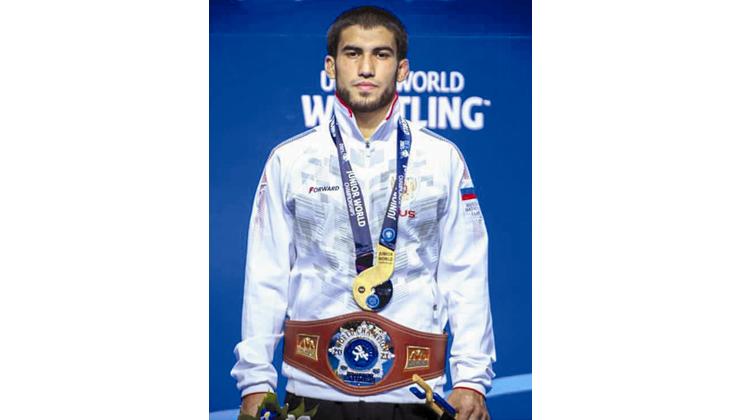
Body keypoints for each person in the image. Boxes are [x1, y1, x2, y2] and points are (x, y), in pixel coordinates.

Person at [231, 6, 495, 420]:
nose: (366, 68)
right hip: (312, 393)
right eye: (353, 53)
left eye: (381, 54)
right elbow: (266, 276)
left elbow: (466, 275)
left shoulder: (442, 159)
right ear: (330, 66)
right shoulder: (290, 160)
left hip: (416, 394)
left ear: (402, 69)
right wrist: (255, 382)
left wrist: (471, 380)